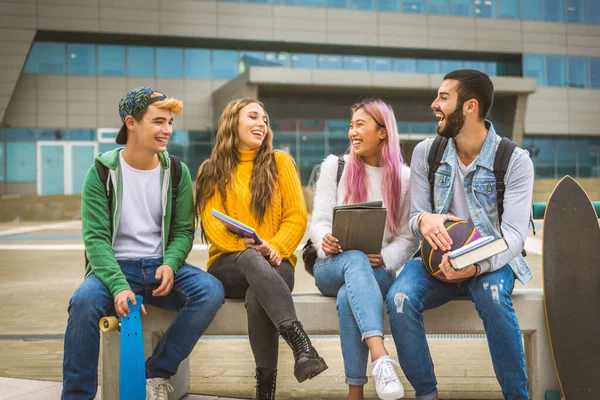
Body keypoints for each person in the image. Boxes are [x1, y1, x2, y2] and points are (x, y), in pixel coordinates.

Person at [62, 87, 225, 400]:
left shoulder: (176, 171)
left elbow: (182, 230)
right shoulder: (101, 172)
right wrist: (118, 284)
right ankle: (77, 395)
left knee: (210, 291)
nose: (167, 130)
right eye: (158, 122)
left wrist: (171, 263)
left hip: (159, 266)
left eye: (170, 123)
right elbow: (95, 239)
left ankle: (158, 370)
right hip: (115, 267)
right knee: (82, 302)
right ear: (131, 123)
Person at [386, 69, 534, 400]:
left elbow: (513, 235)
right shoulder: (428, 152)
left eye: (443, 97)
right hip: (434, 263)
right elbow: (415, 217)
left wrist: (477, 265)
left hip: (491, 264)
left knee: (493, 297)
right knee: (399, 300)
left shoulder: (514, 160)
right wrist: (424, 220)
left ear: (469, 106)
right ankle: (427, 394)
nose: (434, 105)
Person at [195, 98, 328, 400]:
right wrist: (247, 247)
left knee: (259, 297)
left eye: (265, 120)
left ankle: (264, 390)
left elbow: (296, 216)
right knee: (251, 260)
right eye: (253, 116)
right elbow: (212, 223)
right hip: (228, 265)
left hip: (276, 261)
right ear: (233, 123)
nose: (261, 124)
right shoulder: (212, 170)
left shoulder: (279, 162)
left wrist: (275, 247)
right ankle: (301, 345)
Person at [310, 99, 419, 400]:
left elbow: (409, 238)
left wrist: (385, 257)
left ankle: (355, 392)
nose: (352, 132)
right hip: (331, 266)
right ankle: (380, 356)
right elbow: (318, 221)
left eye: (360, 125)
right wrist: (325, 239)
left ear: (383, 132)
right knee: (353, 259)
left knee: (349, 296)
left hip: (378, 270)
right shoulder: (336, 167)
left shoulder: (405, 178)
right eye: (351, 125)